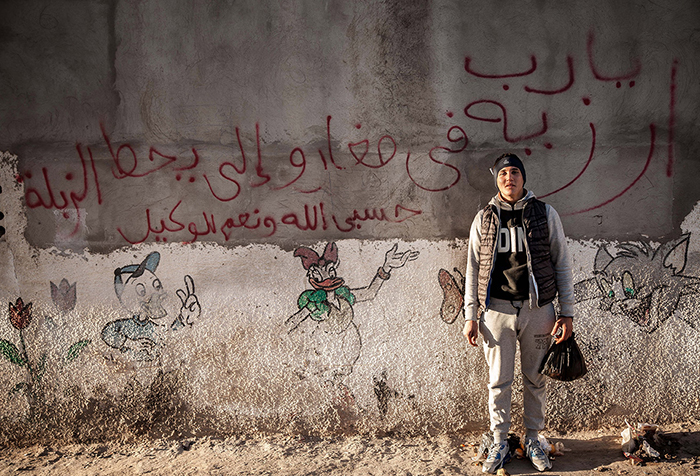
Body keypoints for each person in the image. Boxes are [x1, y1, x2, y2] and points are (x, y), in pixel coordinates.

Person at [462, 153, 574, 473]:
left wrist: (566, 313)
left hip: (538, 310)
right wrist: (471, 316)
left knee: (535, 379)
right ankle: (499, 441)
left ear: (524, 178)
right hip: (495, 311)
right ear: (496, 181)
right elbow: (472, 268)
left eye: (514, 172)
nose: (508, 178)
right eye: (502, 174)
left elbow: (561, 262)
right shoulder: (484, 218)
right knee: (499, 381)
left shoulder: (544, 213)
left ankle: (534, 438)